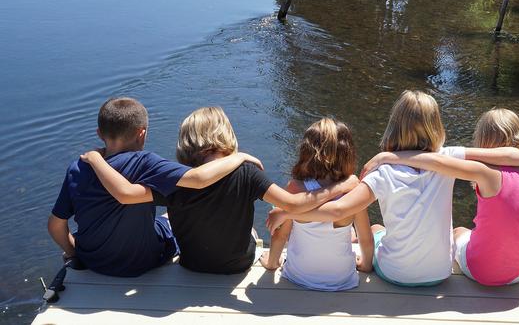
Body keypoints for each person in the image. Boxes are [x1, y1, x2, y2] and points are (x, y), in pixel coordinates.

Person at [267, 90, 519, 287]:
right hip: (440, 274)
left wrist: (287, 211)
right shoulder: (448, 157)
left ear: (394, 126)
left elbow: (340, 209)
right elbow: (499, 155)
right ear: (436, 127)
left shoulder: (381, 172)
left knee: (377, 227)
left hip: (396, 274)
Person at [82, 107, 358, 274]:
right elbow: (296, 205)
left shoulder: (177, 178)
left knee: (167, 217)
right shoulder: (248, 172)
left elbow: (128, 196)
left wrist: (96, 159)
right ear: (226, 136)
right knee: (249, 231)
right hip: (236, 265)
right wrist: (341, 185)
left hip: (192, 263)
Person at [48, 97, 262, 277]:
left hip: (93, 260)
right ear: (142, 134)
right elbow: (198, 179)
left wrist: (73, 253)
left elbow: (56, 226)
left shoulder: (77, 167)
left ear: (99, 133)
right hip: (141, 262)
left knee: (164, 216)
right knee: (170, 221)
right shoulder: (144, 162)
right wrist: (239, 156)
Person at [359, 108, 519, 286]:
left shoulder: (486, 174)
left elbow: (436, 162)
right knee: (472, 232)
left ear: (485, 145)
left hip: (479, 271)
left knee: (458, 232)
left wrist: (387, 156)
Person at [259, 118, 373, 291]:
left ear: (306, 151)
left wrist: (272, 263)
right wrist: (365, 266)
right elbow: (365, 238)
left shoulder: (296, 188)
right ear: (347, 153)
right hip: (342, 279)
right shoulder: (354, 190)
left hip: (298, 276)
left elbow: (280, 236)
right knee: (350, 232)